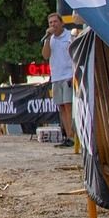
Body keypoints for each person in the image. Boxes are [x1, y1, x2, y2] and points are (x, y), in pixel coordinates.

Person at [42, 11, 76, 142]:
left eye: (55, 21)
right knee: (61, 107)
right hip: (56, 76)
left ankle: (74, 136)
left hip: (68, 75)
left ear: (62, 23)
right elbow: (45, 55)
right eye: (50, 23)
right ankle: (68, 136)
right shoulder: (50, 39)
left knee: (68, 105)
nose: (53, 25)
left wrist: (74, 74)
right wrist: (47, 39)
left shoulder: (70, 36)